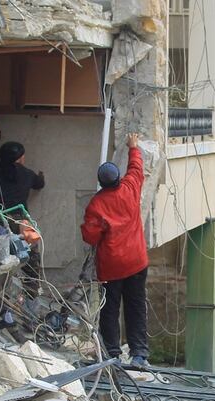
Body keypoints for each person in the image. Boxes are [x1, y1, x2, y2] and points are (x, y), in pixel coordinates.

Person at [81, 133, 151, 367]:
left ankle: (112, 354)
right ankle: (139, 354)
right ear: (118, 178)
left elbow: (90, 236)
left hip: (111, 267)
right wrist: (133, 147)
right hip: (137, 261)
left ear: (101, 183)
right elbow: (136, 167)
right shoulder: (131, 188)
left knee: (110, 309)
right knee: (136, 306)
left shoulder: (97, 204)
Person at [0, 142, 45, 211]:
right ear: (20, 159)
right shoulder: (28, 174)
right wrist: (41, 176)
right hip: (20, 216)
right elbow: (40, 184)